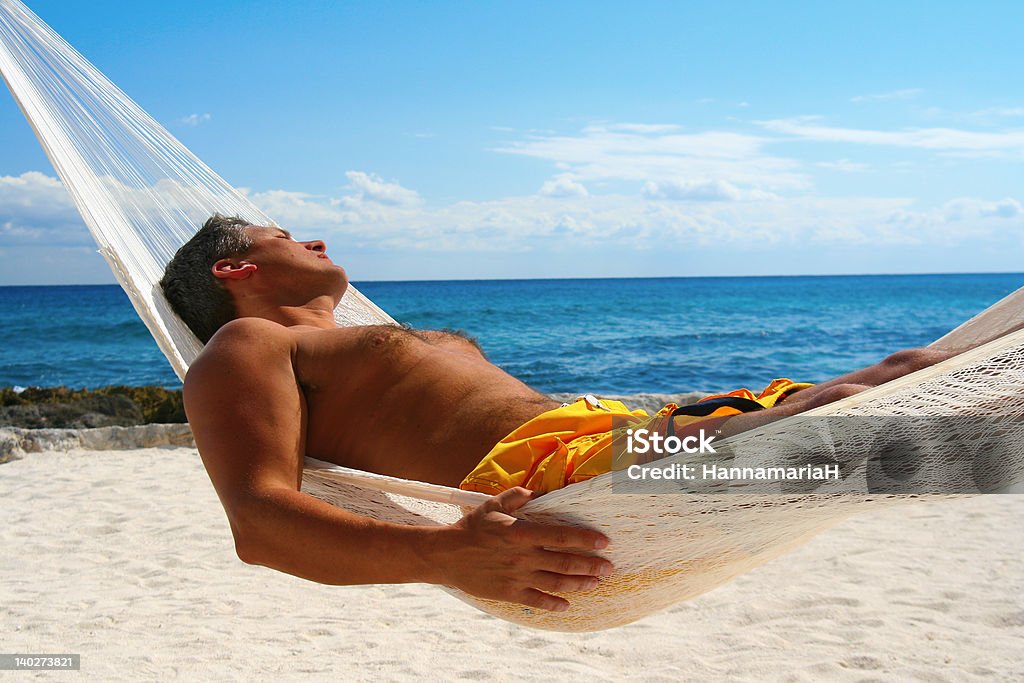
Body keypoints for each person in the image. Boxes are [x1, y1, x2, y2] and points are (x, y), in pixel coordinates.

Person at [159, 214, 966, 612]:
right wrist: (442, 554)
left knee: (913, 372)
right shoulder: (247, 342)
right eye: (288, 235)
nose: (317, 240)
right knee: (854, 430)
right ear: (237, 267)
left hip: (620, 434)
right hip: (558, 480)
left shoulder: (359, 334)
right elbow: (259, 522)